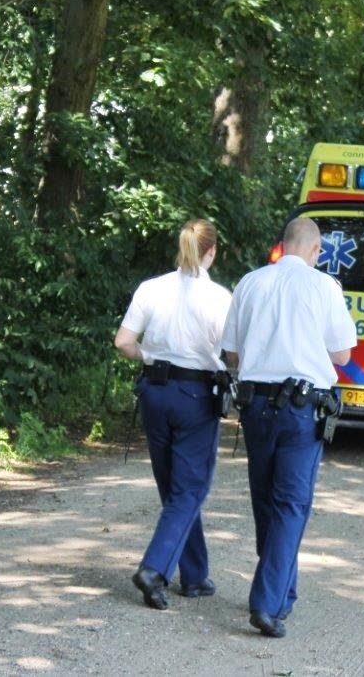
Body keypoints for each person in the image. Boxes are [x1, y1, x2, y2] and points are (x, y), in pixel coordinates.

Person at [220, 217, 357, 638]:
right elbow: (342, 354)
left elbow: (231, 353)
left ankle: (282, 592)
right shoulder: (324, 286)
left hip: (256, 405)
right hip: (302, 409)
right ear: (316, 250)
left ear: (282, 245)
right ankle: (266, 603)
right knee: (291, 504)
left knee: (266, 499)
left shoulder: (250, 282)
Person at [114, 219, 232, 611]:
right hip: (195, 396)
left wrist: (149, 357)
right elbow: (234, 354)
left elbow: (123, 342)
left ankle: (195, 576)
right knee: (190, 489)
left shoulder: (151, 288)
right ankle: (154, 569)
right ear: (212, 251)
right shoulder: (219, 298)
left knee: (174, 487)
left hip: (154, 391)